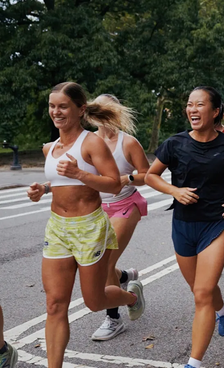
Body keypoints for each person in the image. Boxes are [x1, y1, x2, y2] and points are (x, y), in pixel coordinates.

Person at [26, 82, 145, 368]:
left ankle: (130, 296)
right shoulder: (50, 148)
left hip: (89, 228)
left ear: (80, 110)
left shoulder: (92, 143)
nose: (56, 112)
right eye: (52, 106)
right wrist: (42, 189)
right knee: (55, 305)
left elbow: (114, 184)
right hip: (57, 229)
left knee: (94, 301)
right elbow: (61, 184)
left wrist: (79, 172)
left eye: (63, 106)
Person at [145, 86, 224, 368]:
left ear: (215, 112)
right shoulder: (175, 144)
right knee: (201, 290)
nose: (192, 109)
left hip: (218, 223)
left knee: (202, 293)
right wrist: (174, 191)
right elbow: (150, 176)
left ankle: (193, 362)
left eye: (200, 104)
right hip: (183, 225)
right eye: (189, 104)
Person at [90, 94, 150, 341]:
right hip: (98, 208)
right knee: (95, 262)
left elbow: (148, 174)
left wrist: (128, 178)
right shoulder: (88, 141)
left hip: (126, 204)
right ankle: (125, 277)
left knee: (103, 262)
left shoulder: (129, 143)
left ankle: (113, 319)